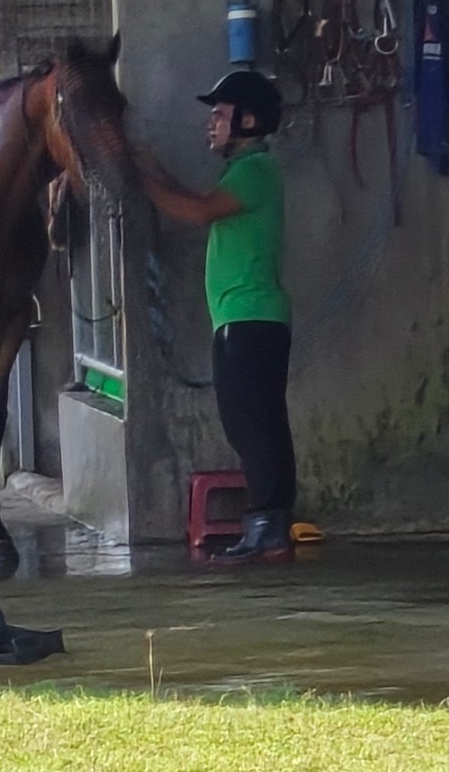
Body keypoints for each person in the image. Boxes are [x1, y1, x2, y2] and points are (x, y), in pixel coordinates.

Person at [129, 68, 296, 564]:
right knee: (262, 422)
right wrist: (156, 176)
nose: (211, 124)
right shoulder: (247, 172)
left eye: (220, 115)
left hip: (248, 318)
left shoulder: (254, 171)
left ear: (247, 120)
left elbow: (198, 210)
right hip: (249, 317)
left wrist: (141, 179)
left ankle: (267, 524)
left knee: (248, 424)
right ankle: (271, 525)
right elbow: (200, 202)